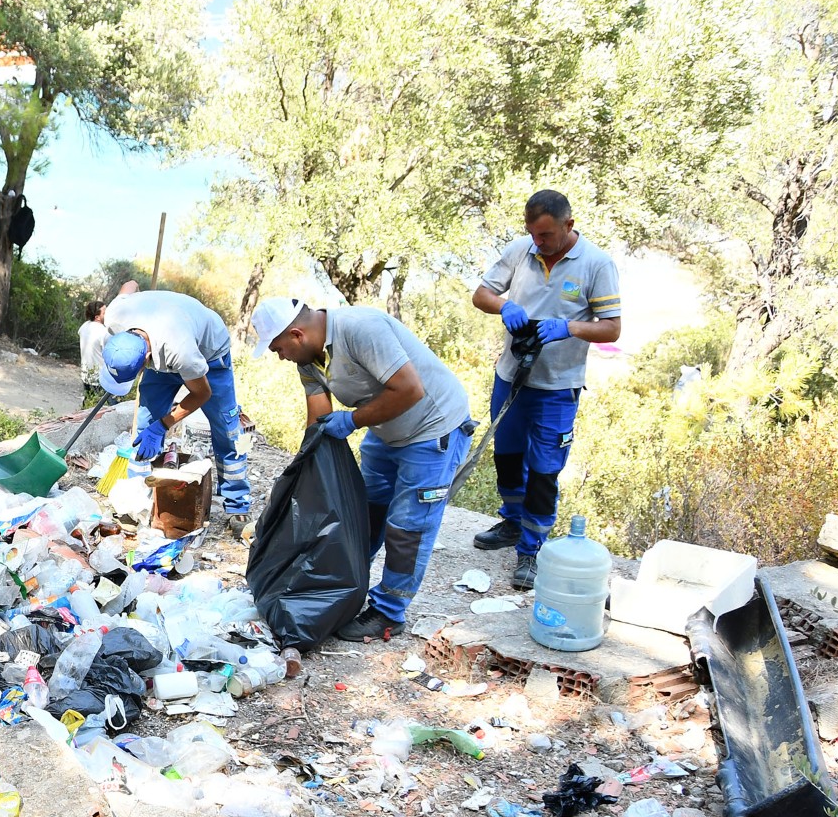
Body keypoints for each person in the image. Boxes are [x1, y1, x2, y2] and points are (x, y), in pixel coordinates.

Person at [252, 298, 474, 641]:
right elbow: (319, 414)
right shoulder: (309, 357)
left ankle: (388, 612)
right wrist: (305, 467)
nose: (280, 356)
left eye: (278, 349)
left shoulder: (360, 329)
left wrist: (353, 420)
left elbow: (409, 389)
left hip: (432, 430)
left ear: (296, 335)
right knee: (360, 512)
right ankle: (342, 586)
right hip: (386, 429)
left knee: (406, 529)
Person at [468, 189, 623, 589]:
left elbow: (611, 327)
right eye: (533, 234)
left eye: (546, 235)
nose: (539, 242)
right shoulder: (522, 250)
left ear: (569, 225)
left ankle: (531, 549)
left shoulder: (596, 264)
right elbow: (481, 294)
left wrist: (568, 327)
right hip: (512, 377)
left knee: (543, 470)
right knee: (507, 457)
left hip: (556, 386)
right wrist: (505, 306)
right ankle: (512, 523)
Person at [98, 289, 250, 531]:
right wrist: (152, 425)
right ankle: (136, 501)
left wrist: (164, 425)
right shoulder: (115, 317)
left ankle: (237, 504)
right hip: (162, 349)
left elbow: (202, 394)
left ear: (146, 357)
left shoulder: (183, 353)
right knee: (144, 426)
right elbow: (129, 285)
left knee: (226, 428)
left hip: (209, 355)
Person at [78, 297, 109, 407]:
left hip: (86, 372)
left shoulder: (84, 326)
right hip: (99, 376)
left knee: (87, 403)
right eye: (105, 312)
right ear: (97, 317)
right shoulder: (103, 332)